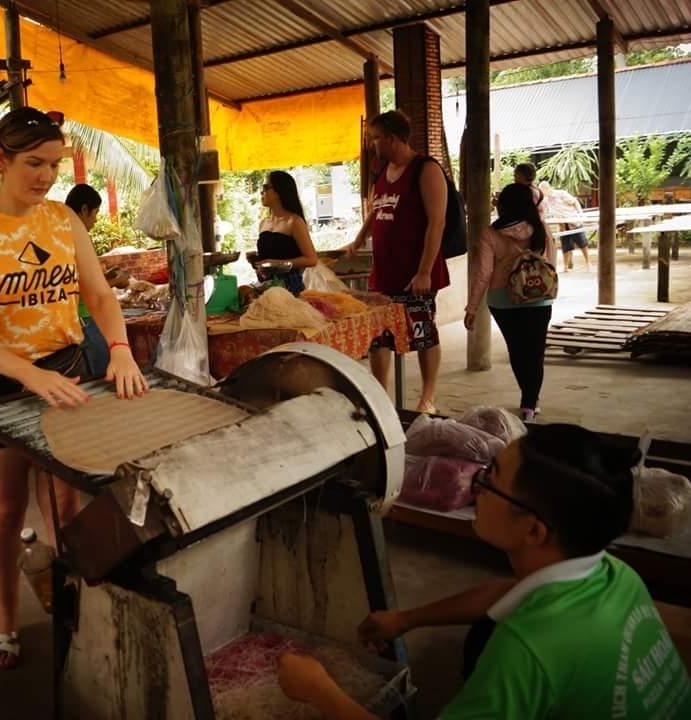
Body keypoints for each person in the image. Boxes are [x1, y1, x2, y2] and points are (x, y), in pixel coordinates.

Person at [279, 422, 691, 719]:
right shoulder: (614, 574)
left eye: (490, 480)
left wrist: (318, 690)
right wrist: (407, 619)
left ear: (534, 530)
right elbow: (510, 595)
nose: (475, 487)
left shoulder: (524, 650)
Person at [0, 106, 148, 669]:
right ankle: (7, 620)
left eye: (53, 164)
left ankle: (70, 592)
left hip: (65, 363)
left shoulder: (62, 220)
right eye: (33, 162)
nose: (45, 175)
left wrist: (121, 348)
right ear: (0, 159)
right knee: (6, 510)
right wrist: (27, 374)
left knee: (62, 498)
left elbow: (100, 295)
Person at [348, 109, 451, 414]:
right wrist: (359, 237)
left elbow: (437, 222)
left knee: (422, 332)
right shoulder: (383, 170)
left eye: (376, 139)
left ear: (392, 139)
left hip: (415, 273)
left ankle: (427, 397)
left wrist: (423, 272)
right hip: (384, 271)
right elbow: (377, 208)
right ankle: (381, 398)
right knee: (379, 336)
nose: (372, 145)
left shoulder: (426, 169)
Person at [465, 183, 558, 421]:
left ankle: (527, 397)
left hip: (502, 301)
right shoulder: (541, 229)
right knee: (535, 353)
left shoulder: (491, 233)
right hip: (538, 300)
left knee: (517, 351)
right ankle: (530, 403)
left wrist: (472, 308)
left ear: (502, 206)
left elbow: (483, 274)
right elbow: (551, 264)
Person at [65, 183, 110, 377]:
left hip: (77, 319)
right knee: (100, 378)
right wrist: (113, 282)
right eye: (96, 213)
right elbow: (83, 284)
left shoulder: (59, 234)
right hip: (84, 319)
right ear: (84, 210)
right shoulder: (73, 237)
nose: (96, 220)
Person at [252, 170, 317, 295]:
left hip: (290, 288)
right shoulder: (263, 223)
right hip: (267, 287)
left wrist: (278, 264)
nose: (262, 192)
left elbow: (312, 259)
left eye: (266, 187)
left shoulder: (294, 221)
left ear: (279, 192)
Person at [539, 180, 591, 272]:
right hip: (562, 225)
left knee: (582, 243)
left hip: (574, 221)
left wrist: (580, 214)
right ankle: (565, 267)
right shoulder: (546, 200)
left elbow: (575, 202)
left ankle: (588, 263)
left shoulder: (561, 194)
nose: (543, 194)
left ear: (547, 189)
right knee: (565, 246)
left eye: (543, 191)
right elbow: (544, 210)